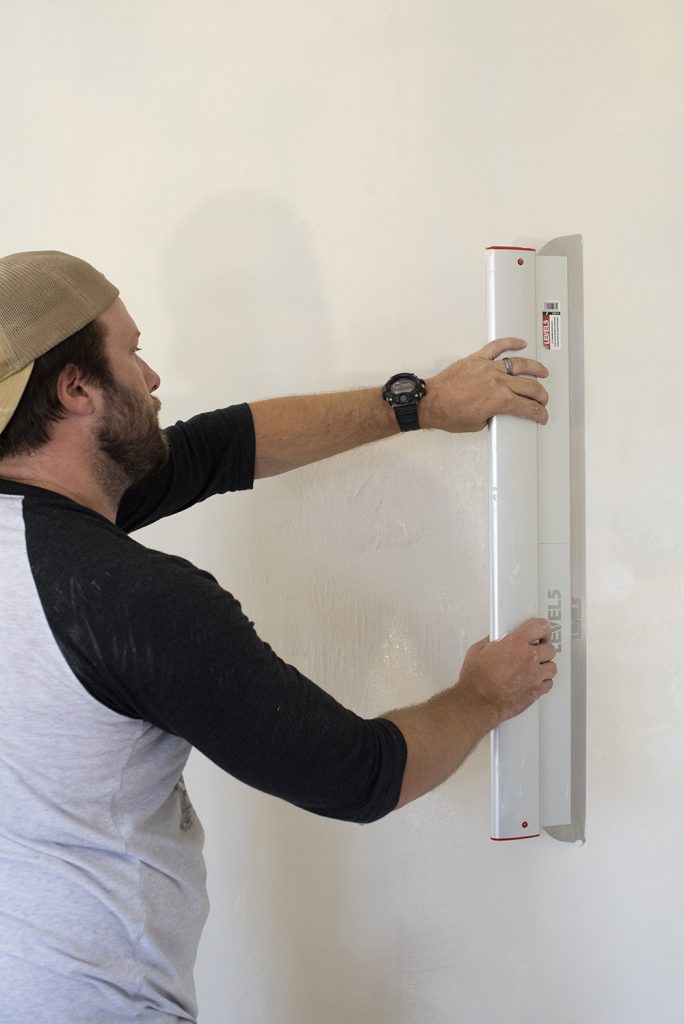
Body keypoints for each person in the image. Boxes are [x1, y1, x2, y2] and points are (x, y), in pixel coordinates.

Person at [0, 250, 556, 1024]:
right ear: (77, 388)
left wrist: (419, 402)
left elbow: (212, 448)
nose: (153, 375)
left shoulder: (45, 539)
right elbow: (359, 775)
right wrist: (480, 697)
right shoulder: (131, 599)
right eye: (130, 352)